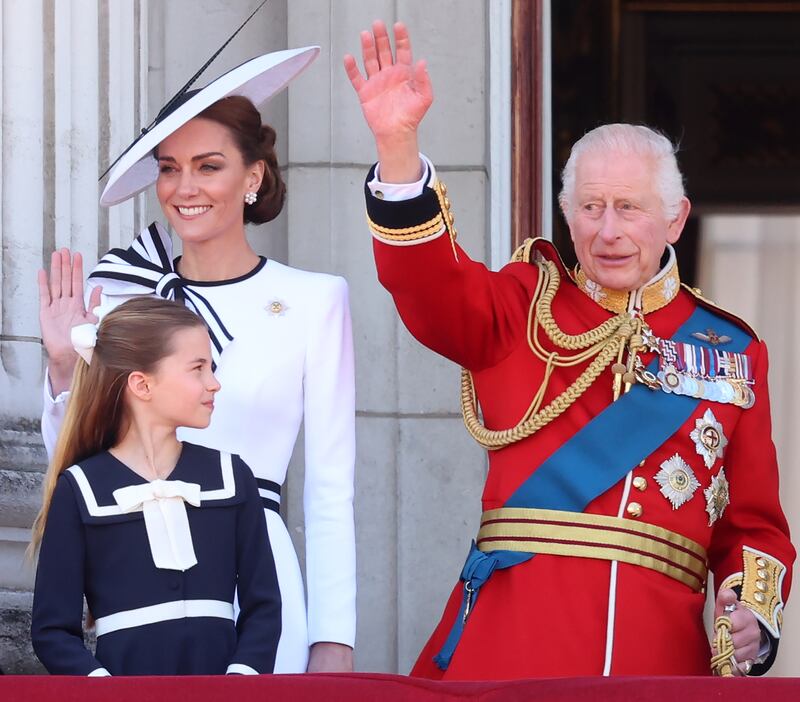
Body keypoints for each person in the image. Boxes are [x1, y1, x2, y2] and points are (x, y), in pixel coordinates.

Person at [344, 21, 794, 678]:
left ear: (674, 217)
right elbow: (428, 285)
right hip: (509, 650)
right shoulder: (522, 306)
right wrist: (397, 146)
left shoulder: (730, 351)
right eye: (589, 207)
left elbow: (754, 525)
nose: (607, 231)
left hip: (658, 661)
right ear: (566, 213)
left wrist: (749, 609)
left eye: (628, 208)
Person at [38, 48, 355, 673]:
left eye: (208, 166)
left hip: (259, 580)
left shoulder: (315, 300)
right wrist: (63, 368)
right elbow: (75, 466)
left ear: (253, 176)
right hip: (138, 575)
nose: (185, 188)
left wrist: (333, 639)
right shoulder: (122, 297)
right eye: (169, 168)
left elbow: (328, 488)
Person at [31, 297, 281, 675]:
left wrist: (241, 678)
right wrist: (104, 690)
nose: (214, 383)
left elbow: (264, 606)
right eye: (197, 369)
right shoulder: (80, 489)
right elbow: (52, 631)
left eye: (211, 368)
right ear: (141, 384)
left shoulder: (232, 477)